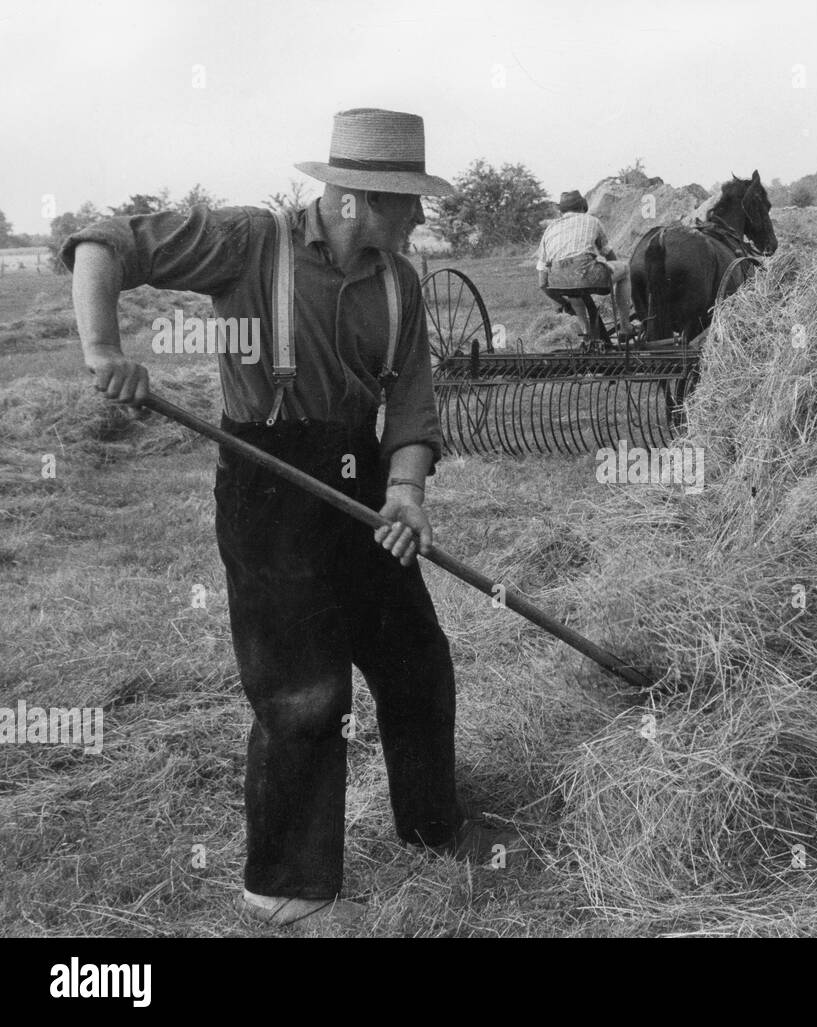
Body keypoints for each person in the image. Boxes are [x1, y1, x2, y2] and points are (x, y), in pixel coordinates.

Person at [64, 108, 515, 930]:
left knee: (417, 658)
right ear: (356, 198)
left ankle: (430, 825)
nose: (418, 217)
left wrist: (407, 493)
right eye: (406, 201)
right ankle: (286, 889)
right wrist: (102, 348)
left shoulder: (398, 282)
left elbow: (411, 408)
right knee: (305, 692)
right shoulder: (248, 242)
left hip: (362, 484)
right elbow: (104, 240)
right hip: (270, 490)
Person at [536, 190, 636, 344]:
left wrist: (562, 303)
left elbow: (542, 282)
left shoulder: (550, 229)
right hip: (585, 274)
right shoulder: (592, 221)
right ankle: (625, 326)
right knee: (624, 269)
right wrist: (614, 272)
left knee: (573, 290)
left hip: (558, 281)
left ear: (561, 210)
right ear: (583, 207)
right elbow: (608, 253)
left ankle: (587, 334)